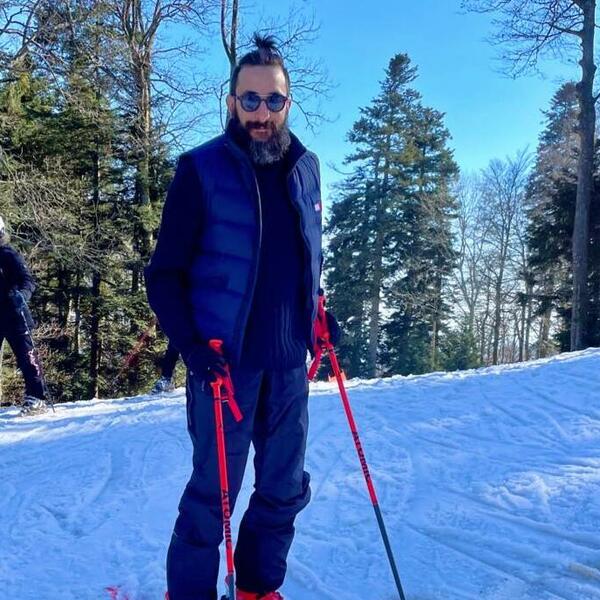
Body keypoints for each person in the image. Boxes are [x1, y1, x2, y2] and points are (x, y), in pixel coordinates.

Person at [145, 34, 339, 600]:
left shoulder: (306, 169)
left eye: (273, 100)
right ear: (232, 101)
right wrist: (192, 348)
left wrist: (317, 313)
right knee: (213, 496)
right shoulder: (200, 169)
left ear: (288, 103)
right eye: (250, 100)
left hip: (287, 365)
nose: (261, 113)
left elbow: (304, 258)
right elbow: (163, 275)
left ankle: (257, 587)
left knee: (284, 488)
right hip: (223, 368)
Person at [0, 215, 48, 415]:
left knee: (26, 357)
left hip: (15, 314)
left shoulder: (8, 255)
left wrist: (22, 295)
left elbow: (28, 280)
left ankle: (37, 397)